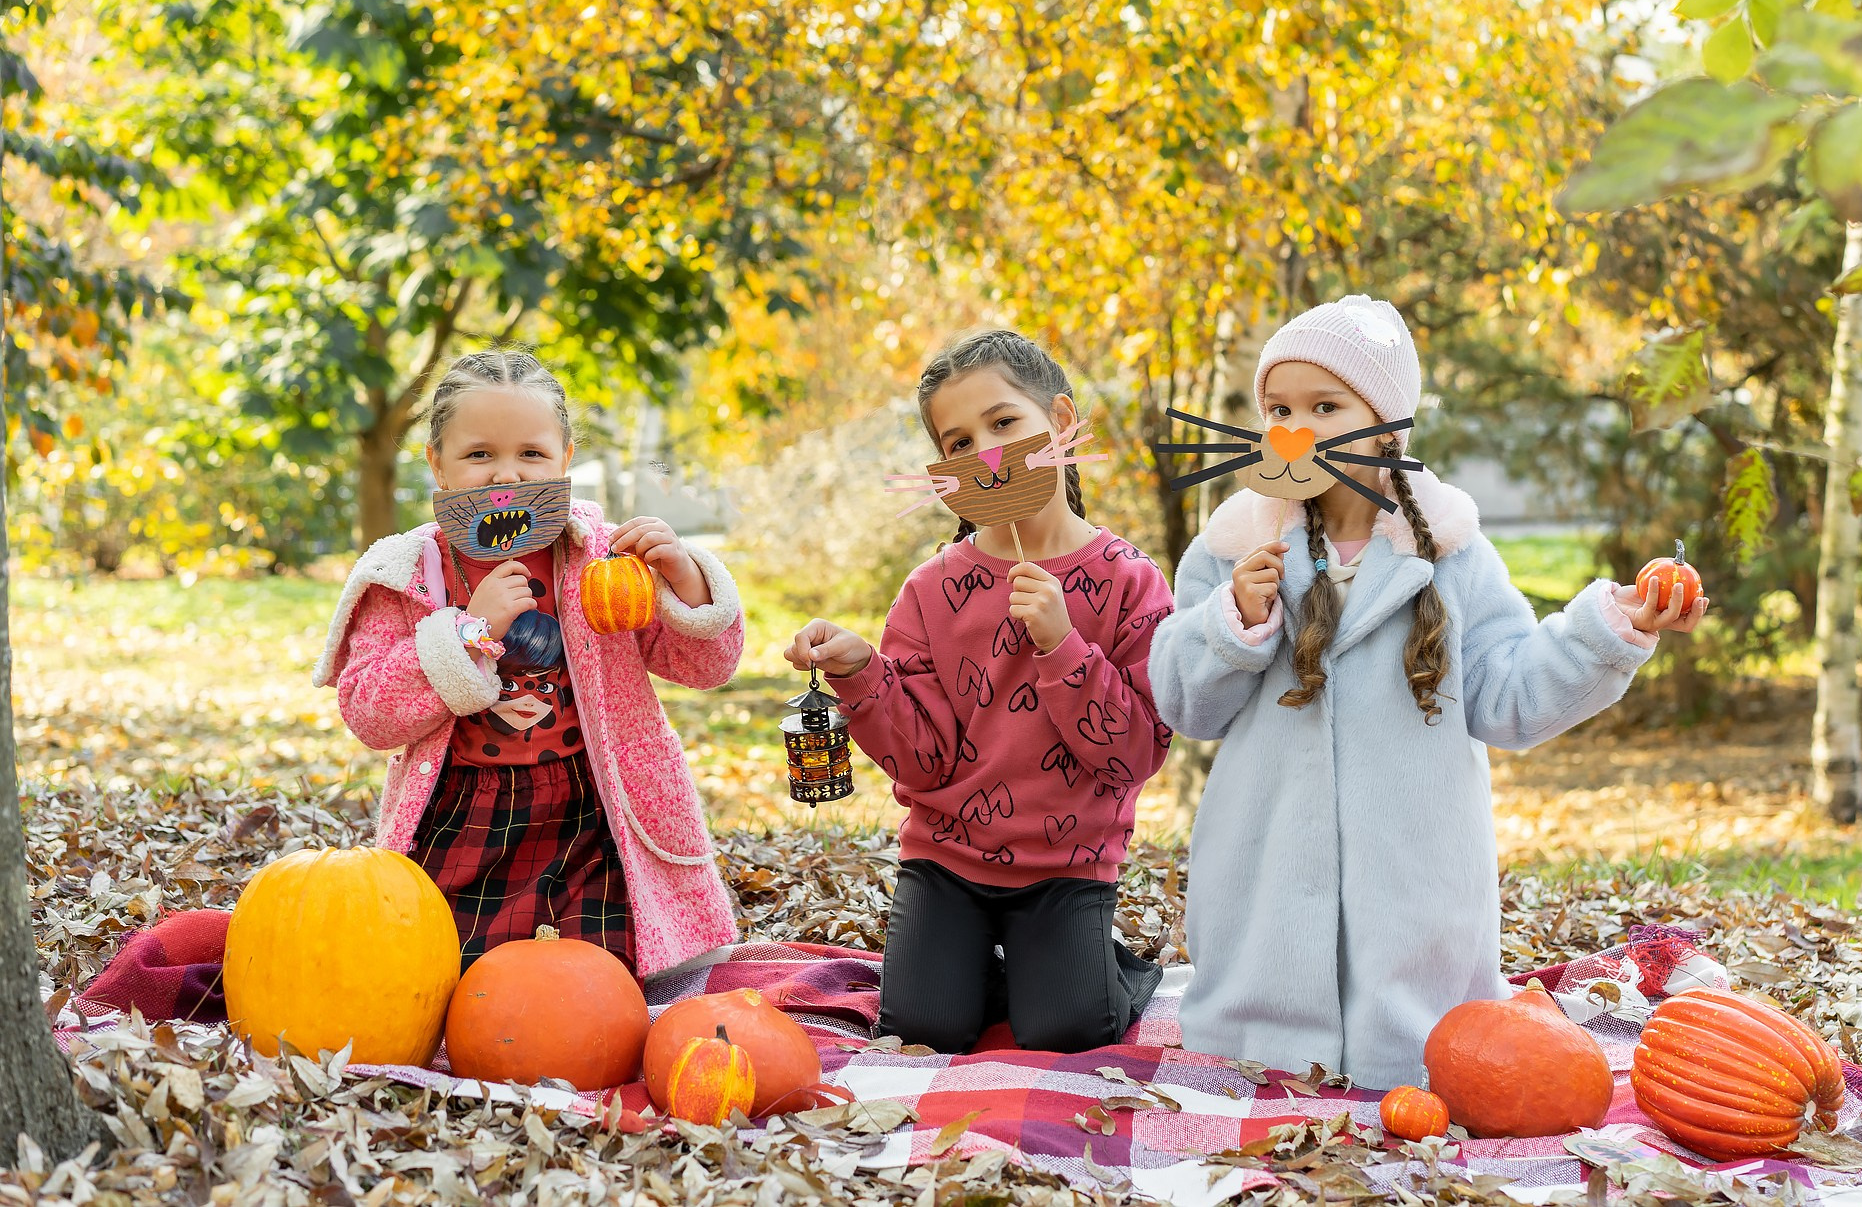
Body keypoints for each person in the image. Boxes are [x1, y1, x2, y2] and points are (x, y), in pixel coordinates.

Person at [1149, 296, 1706, 1088]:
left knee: (1422, 1052)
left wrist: (1608, 627)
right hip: (1260, 909)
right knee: (1260, 1064)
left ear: (1387, 428)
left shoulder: (1451, 554)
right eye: (1277, 408)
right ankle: (1264, 1028)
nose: (1292, 427)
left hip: (1418, 913)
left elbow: (1511, 694)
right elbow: (1185, 705)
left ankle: (1397, 1036)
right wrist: (1231, 617)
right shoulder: (1236, 546)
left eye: (1324, 406)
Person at [787, 330, 1174, 1052]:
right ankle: (986, 968)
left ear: (1060, 425)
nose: (985, 454)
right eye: (958, 441)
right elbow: (923, 758)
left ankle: (1094, 972)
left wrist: (1062, 643)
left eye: (1003, 423)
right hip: (947, 858)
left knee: (1065, 1027)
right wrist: (858, 672)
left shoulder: (1131, 580)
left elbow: (1134, 754)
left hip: (1068, 862)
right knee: (925, 1026)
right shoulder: (930, 590)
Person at [314, 349, 742, 976]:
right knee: (450, 976)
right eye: (479, 454)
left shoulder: (602, 557)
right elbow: (370, 713)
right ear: (438, 465)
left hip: (590, 814)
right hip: (464, 814)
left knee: (600, 976)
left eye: (532, 454)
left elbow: (707, 666)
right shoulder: (406, 575)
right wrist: (467, 631)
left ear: (566, 458)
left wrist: (685, 581)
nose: (504, 476)